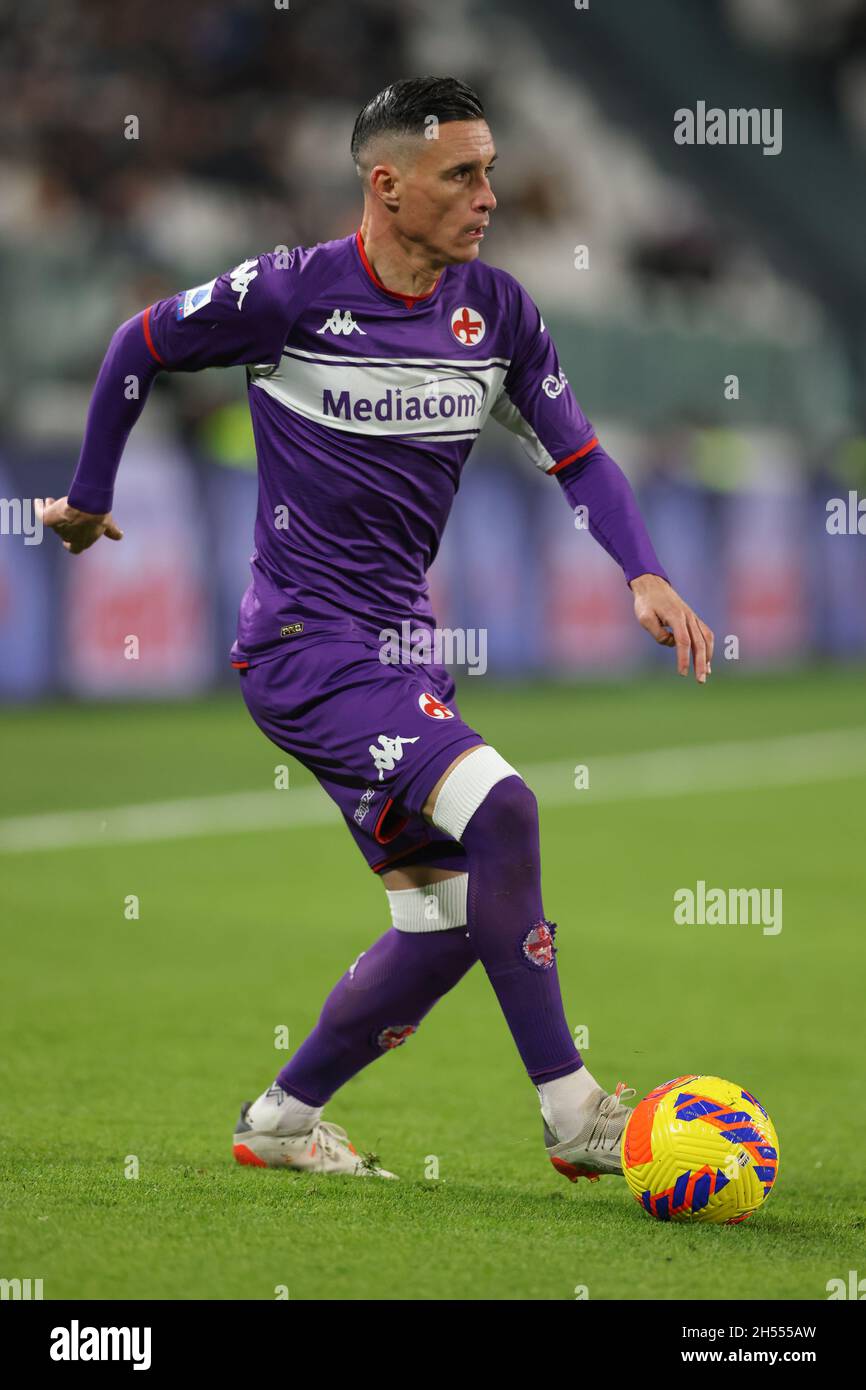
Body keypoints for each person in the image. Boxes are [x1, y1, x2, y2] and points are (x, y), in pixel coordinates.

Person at [38, 76, 713, 1184]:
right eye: (462, 173)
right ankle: (573, 1111)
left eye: (491, 168)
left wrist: (640, 569)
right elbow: (136, 344)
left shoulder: (495, 313)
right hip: (305, 647)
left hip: (399, 650)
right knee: (504, 807)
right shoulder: (291, 295)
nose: (488, 194)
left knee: (448, 924)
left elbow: (577, 455)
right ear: (386, 185)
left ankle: (283, 1120)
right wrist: (89, 494)